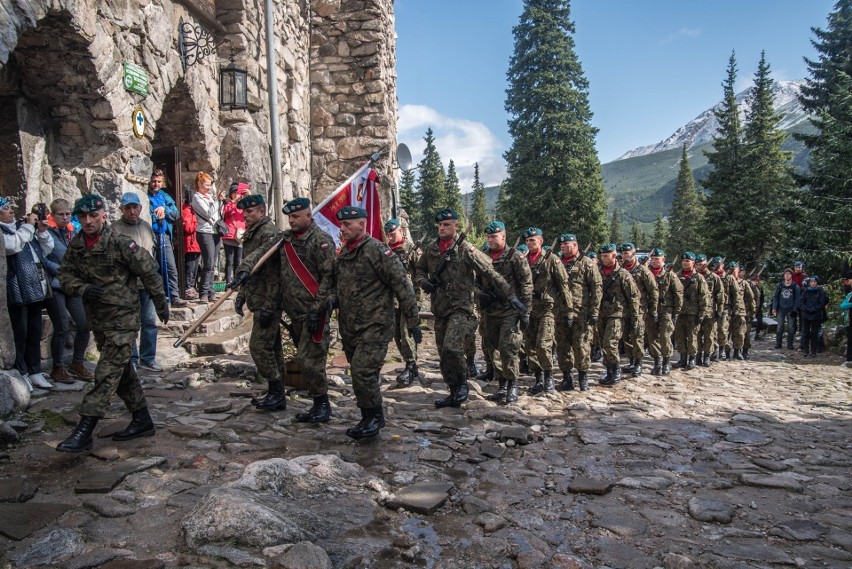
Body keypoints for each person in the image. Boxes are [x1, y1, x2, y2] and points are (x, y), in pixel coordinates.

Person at [56, 194, 169, 453]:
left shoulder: (119, 243)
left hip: (123, 319)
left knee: (105, 374)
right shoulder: (77, 245)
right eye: (83, 217)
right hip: (99, 320)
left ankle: (84, 430)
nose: (88, 221)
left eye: (93, 216)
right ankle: (142, 421)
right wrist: (82, 288)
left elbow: (148, 269)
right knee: (122, 373)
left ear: (103, 216)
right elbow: (64, 275)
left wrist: (160, 303)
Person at [233, 197, 335, 423]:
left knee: (310, 360)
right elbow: (260, 253)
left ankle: (322, 404)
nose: (292, 221)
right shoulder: (285, 238)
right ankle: (289, 396)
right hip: (293, 310)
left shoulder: (321, 241)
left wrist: (318, 310)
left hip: (313, 311)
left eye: (296, 216)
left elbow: (329, 279)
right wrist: (244, 271)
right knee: (303, 357)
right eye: (290, 217)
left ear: (309, 216)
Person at [416, 208, 519, 408]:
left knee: (452, 347)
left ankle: (462, 383)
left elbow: (490, 272)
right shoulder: (431, 249)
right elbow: (419, 269)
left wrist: (511, 295)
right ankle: (453, 389)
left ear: (456, 226)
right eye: (439, 225)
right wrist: (423, 281)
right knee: (443, 352)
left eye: (446, 224)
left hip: (460, 308)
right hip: (440, 308)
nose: (442, 228)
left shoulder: (466, 249)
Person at [333, 206, 420, 439]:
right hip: (351, 326)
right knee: (359, 371)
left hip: (376, 324)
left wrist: (413, 321)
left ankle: (375, 417)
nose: (342, 229)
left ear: (361, 224)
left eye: (347, 225)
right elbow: (339, 288)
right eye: (341, 225)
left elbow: (403, 285)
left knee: (363, 370)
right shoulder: (344, 253)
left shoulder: (377, 251)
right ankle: (366, 415)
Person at [230, 195, 286, 411]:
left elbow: (274, 276)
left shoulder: (269, 234)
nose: (245, 215)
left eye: (250, 211)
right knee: (273, 347)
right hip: (257, 297)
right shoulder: (253, 233)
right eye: (244, 211)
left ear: (261, 212)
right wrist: (241, 295)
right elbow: (251, 273)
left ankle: (276, 390)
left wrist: (270, 306)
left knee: (258, 347)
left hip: (267, 301)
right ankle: (277, 392)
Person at [1, 196, 55, 390]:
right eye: (6, 208)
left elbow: (46, 250)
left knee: (34, 331)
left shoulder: (22, 228)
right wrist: (28, 227)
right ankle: (21, 371)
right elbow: (12, 246)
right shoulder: (7, 231)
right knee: (20, 333)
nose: (11, 211)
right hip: (16, 289)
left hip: (34, 287)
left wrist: (40, 231)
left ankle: (34, 371)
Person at [478, 221, 532, 404]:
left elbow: (526, 284)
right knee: (493, 349)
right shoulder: (482, 257)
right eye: (488, 237)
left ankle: (512, 385)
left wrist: (525, 311)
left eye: (494, 236)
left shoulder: (515, 257)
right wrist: (480, 295)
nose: (491, 240)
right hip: (490, 311)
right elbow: (474, 282)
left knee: (508, 348)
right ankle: (501, 385)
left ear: (503, 236)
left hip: (510, 310)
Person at [112, 192, 163, 372]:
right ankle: (131, 359)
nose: (132, 211)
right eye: (128, 208)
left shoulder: (147, 227)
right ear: (122, 209)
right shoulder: (115, 229)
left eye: (135, 207)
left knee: (149, 321)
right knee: (129, 324)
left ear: (140, 208)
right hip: (127, 285)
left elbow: (153, 252)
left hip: (147, 283)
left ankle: (148, 358)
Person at [43, 198, 92, 383]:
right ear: (52, 215)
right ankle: (57, 368)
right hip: (56, 285)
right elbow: (43, 259)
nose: (65, 217)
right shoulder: (46, 233)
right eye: (60, 214)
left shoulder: (73, 233)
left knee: (84, 325)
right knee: (62, 326)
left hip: (73, 285)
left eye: (67, 214)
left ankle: (77, 363)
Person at [522, 227, 572, 394]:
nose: (530, 243)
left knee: (544, 344)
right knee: (530, 347)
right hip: (529, 309)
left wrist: (569, 310)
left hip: (548, 309)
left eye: (533, 240)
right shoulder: (522, 259)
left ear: (541, 241)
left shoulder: (552, 259)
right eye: (527, 241)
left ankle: (549, 377)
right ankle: (538, 379)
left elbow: (563, 286)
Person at [555, 234, 601, 391]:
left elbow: (596, 289)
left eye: (566, 244)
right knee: (562, 346)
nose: (562, 246)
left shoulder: (587, 263)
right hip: (560, 312)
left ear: (575, 245)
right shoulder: (557, 262)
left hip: (581, 312)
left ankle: (583, 377)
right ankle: (567, 377)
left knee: (581, 346)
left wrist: (594, 311)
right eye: (561, 244)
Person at [384, 218, 421, 385]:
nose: (391, 237)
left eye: (393, 234)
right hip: (391, 300)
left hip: (408, 299)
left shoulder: (411, 250)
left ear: (401, 231)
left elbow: (418, 276)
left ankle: (411, 365)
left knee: (407, 333)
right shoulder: (385, 251)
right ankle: (409, 363)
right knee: (397, 334)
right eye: (388, 235)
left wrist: (418, 301)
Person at [597, 243, 639, 386]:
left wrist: (635, 318)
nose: (603, 258)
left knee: (610, 343)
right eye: (602, 256)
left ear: (614, 256)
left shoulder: (622, 274)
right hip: (601, 313)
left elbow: (633, 297)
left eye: (606, 256)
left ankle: (616, 371)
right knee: (603, 343)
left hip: (617, 313)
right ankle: (609, 370)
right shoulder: (597, 271)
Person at [148, 170, 185, 306]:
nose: (156, 184)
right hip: (149, 235)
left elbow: (176, 214)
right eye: (154, 181)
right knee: (153, 268)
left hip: (164, 235)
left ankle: (174, 297)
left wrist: (164, 210)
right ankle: (158, 298)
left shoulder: (165, 196)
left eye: (159, 181)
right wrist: (155, 214)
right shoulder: (145, 196)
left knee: (170, 267)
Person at [620, 243, 658, 377]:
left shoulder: (643, 271)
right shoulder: (620, 270)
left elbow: (653, 291)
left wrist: (653, 310)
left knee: (637, 336)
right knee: (626, 337)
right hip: (624, 309)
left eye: (627, 253)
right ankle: (631, 361)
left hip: (640, 309)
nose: (625, 255)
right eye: (623, 253)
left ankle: (638, 363)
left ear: (634, 253)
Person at [646, 249, 683, 375]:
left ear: (663, 260)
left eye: (658, 259)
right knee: (652, 337)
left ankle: (666, 362)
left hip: (666, 310)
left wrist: (677, 312)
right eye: (653, 258)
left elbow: (678, 294)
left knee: (665, 336)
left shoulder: (670, 275)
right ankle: (657, 362)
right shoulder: (647, 273)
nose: (655, 261)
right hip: (650, 309)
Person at [673, 252, 708, 370]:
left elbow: (703, 296)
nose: (685, 263)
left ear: (693, 263)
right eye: (683, 261)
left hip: (693, 312)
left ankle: (692, 358)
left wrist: (702, 313)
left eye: (688, 261)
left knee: (692, 336)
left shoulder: (698, 277)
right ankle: (682, 358)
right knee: (680, 336)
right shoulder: (676, 276)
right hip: (680, 311)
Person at [191, 172, 222, 302]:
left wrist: (220, 202)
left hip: (215, 231)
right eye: (207, 185)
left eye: (210, 185)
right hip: (204, 232)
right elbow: (208, 212)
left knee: (212, 263)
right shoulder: (197, 198)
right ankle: (203, 292)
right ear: (199, 184)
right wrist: (218, 200)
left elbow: (218, 213)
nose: (209, 188)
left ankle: (210, 291)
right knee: (208, 262)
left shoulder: (209, 197)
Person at [696, 254, 725, 367]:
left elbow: (720, 295)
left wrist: (720, 310)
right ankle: (697, 355)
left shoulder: (713, 277)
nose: (699, 266)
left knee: (709, 335)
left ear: (706, 263)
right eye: (697, 264)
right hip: (696, 310)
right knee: (696, 335)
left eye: (701, 264)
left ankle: (707, 355)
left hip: (710, 312)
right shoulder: (694, 276)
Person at [222, 182, 249, 285]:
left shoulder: (243, 205)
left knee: (238, 262)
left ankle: (237, 282)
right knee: (229, 261)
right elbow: (226, 212)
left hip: (240, 236)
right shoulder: (228, 203)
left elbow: (251, 210)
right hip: (229, 235)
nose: (236, 194)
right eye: (234, 192)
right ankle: (228, 283)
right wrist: (234, 202)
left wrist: (249, 196)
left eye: (238, 192)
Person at [797, 275, 828, 358]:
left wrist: (814, 309)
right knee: (805, 333)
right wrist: (806, 309)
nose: (813, 283)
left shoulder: (820, 292)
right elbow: (800, 303)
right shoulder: (805, 292)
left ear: (817, 283)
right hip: (806, 315)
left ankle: (813, 351)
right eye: (811, 282)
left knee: (814, 334)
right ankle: (806, 350)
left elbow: (822, 303)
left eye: (814, 282)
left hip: (816, 315)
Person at [771, 269, 800, 350]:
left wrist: (795, 309)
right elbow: (775, 297)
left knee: (791, 327)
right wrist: (774, 308)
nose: (787, 275)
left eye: (789, 274)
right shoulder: (779, 285)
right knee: (780, 326)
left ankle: (790, 344)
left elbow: (797, 299)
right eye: (786, 274)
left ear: (791, 275)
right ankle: (778, 343)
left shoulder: (795, 287)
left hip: (791, 309)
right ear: (784, 276)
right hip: (780, 308)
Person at [181, 190, 201, 300]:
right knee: (190, 267)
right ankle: (188, 289)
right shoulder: (186, 210)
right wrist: (197, 222)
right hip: (190, 243)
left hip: (196, 243)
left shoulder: (193, 211)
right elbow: (188, 228)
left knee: (194, 268)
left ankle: (192, 287)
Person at [840, 277, 851, 367]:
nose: (849, 281)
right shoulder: (850, 294)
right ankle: (849, 359)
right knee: (850, 340)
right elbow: (843, 305)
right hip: (849, 320)